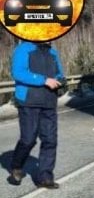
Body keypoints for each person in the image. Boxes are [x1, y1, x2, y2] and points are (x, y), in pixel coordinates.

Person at [7, 41, 64, 189]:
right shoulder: (23, 49)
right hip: (28, 101)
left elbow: (59, 72)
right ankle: (16, 166)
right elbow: (18, 72)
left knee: (50, 140)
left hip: (49, 101)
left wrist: (60, 80)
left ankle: (45, 177)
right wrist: (44, 80)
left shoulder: (52, 52)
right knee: (28, 139)